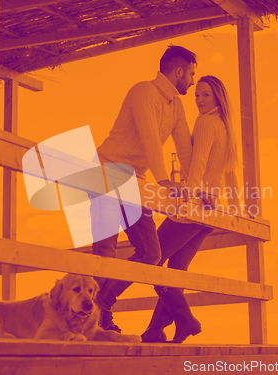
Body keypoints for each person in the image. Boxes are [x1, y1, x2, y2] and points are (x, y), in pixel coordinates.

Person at [90, 45, 197, 332]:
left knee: (151, 253)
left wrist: (192, 187)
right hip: (106, 172)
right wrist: (163, 182)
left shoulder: (176, 106)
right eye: (191, 75)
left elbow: (185, 149)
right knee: (105, 252)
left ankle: (102, 304)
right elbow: (150, 139)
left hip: (135, 182)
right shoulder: (143, 92)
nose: (192, 81)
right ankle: (94, 319)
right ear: (178, 71)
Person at [141, 75, 239, 343]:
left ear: (218, 96)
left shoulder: (206, 122)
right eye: (197, 95)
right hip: (211, 212)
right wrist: (235, 209)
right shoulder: (225, 125)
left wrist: (188, 198)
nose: (199, 100)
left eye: (205, 95)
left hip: (196, 208)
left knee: (153, 260)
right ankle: (155, 329)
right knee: (176, 269)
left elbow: (198, 163)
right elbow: (230, 173)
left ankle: (186, 319)